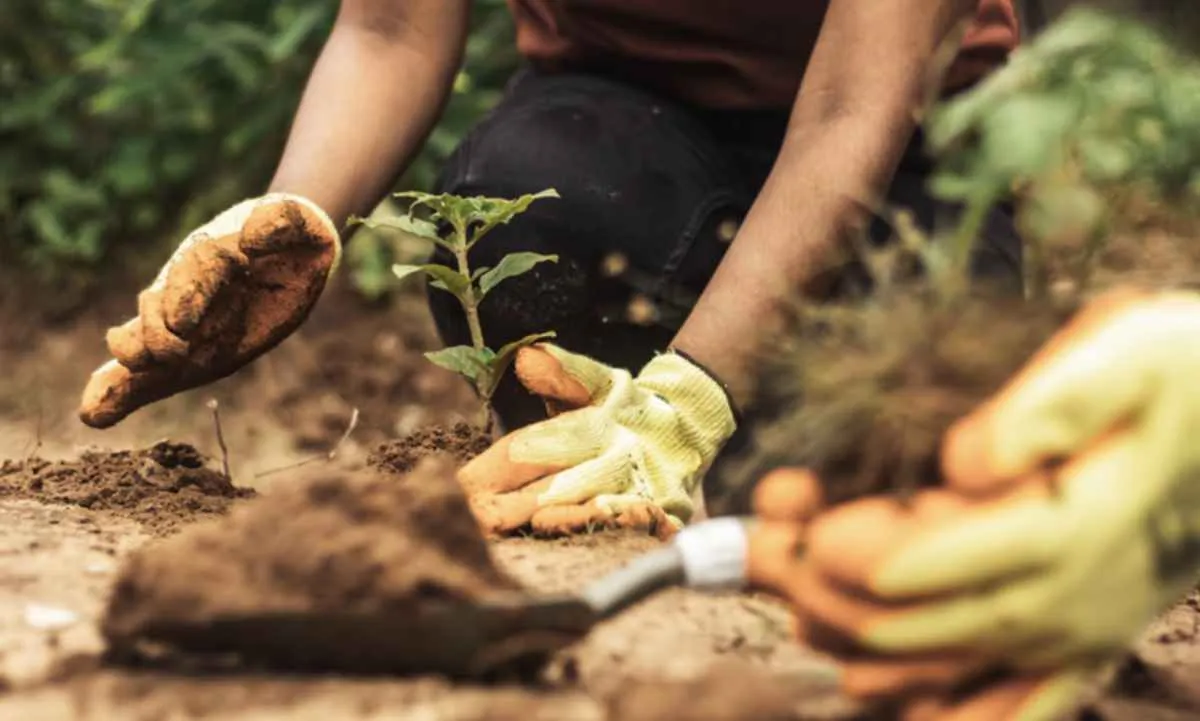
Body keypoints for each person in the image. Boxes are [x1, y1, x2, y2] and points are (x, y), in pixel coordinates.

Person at [80, 0, 1025, 533]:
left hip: (901, 154)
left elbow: (852, 108)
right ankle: (599, 496)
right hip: (621, 130)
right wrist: (291, 218)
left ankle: (684, 446)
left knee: (909, 489)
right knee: (532, 210)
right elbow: (392, 29)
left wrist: (685, 405)